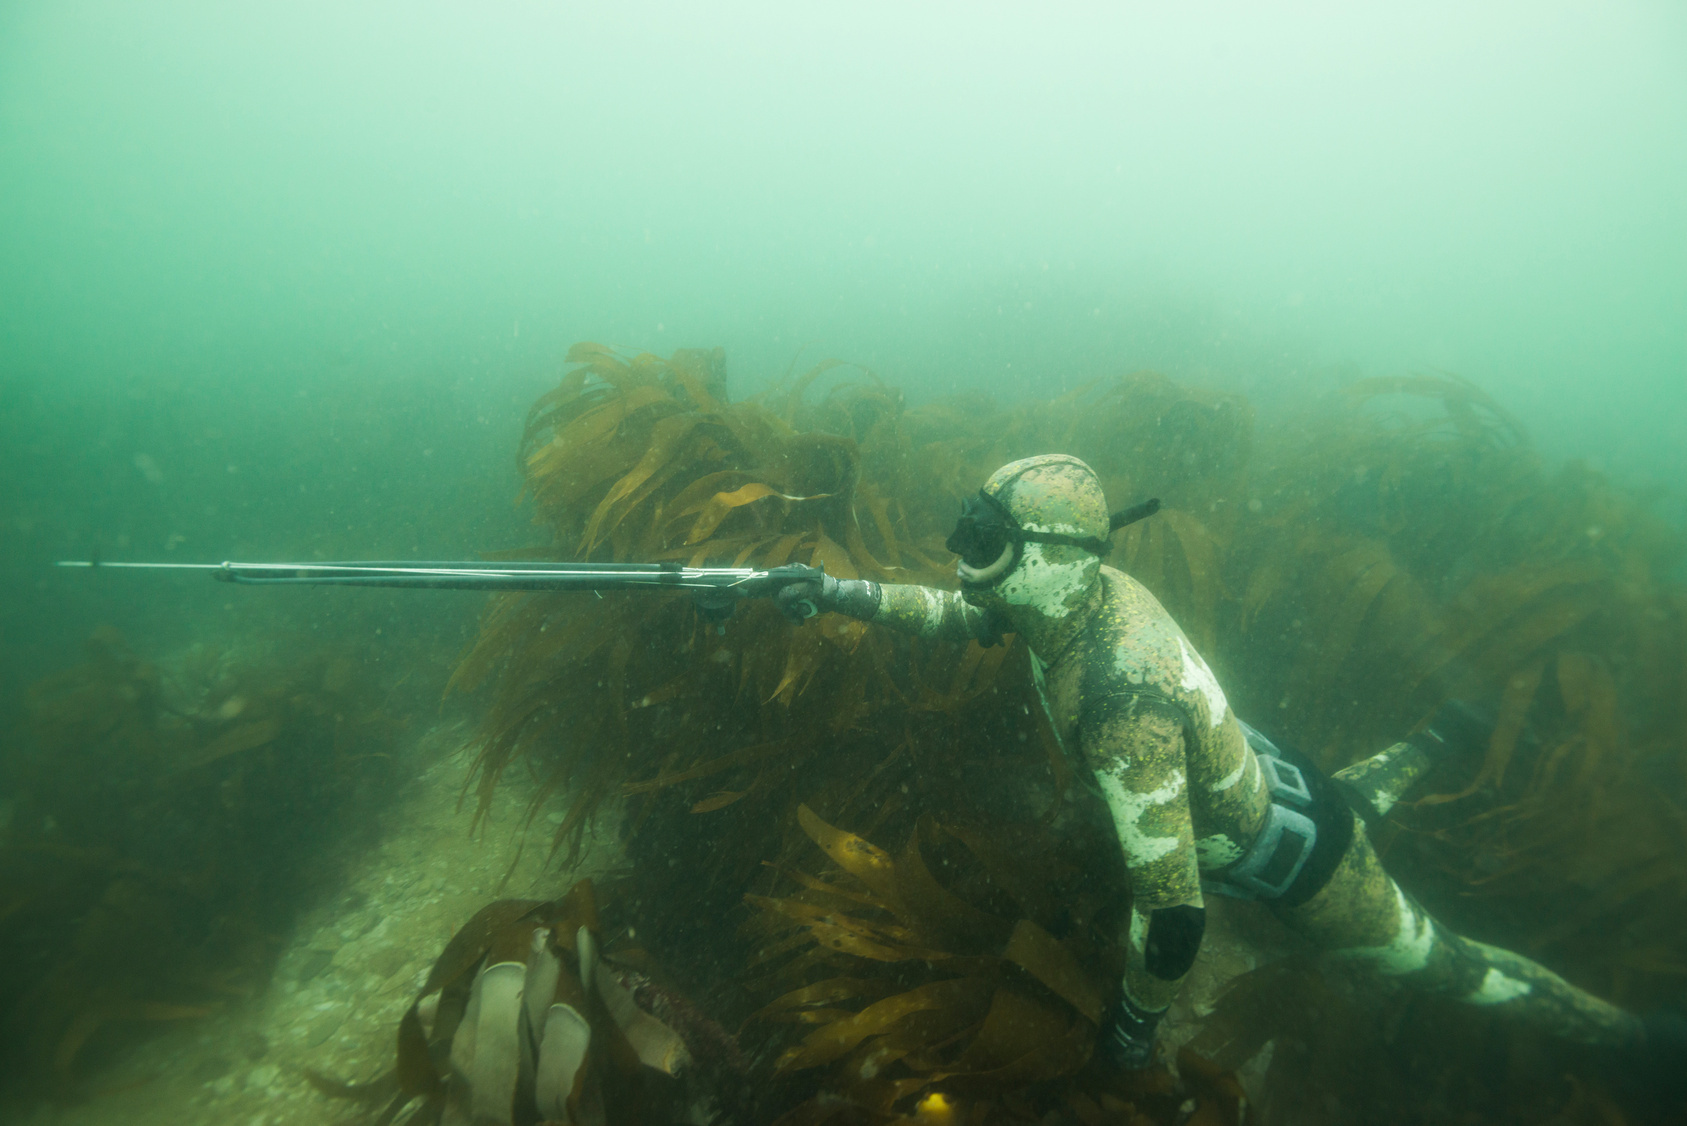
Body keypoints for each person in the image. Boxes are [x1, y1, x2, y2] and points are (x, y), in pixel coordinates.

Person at [770, 453, 1672, 1077]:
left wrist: (1131, 1032)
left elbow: (1171, 916)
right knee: (1343, 798)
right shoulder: (1085, 594)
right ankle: (1434, 744)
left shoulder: (1125, 706)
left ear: (1045, 557)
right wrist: (840, 594)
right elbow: (970, 616)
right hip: (1266, 777)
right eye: (968, 530)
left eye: (984, 543)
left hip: (1295, 865)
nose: (963, 559)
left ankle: (1630, 1038)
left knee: (1450, 967)